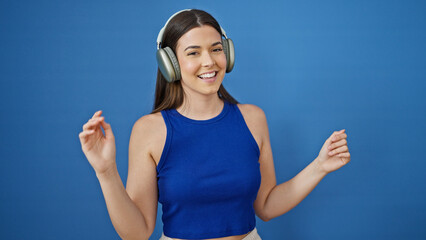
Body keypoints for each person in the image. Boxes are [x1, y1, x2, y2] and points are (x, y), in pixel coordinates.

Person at [78, 9, 351, 240]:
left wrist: (319, 166)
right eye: (193, 53)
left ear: (227, 54)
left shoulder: (253, 119)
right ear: (170, 64)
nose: (209, 62)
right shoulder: (149, 130)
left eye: (216, 49)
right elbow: (137, 232)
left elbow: (266, 205)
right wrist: (106, 172)